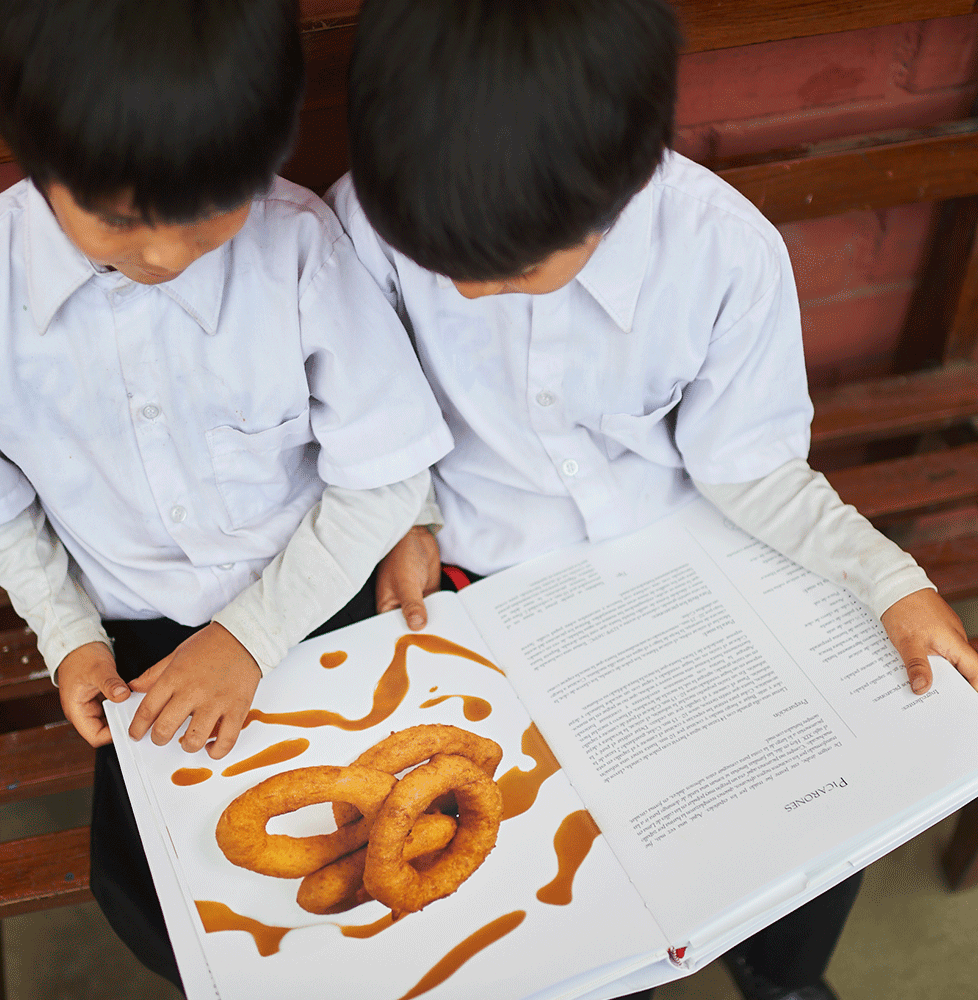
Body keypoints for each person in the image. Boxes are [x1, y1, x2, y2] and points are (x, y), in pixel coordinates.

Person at [326, 0, 978, 998]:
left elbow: (750, 466)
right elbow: (378, 415)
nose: (463, 294)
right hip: (482, 576)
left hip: (690, 554)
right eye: (445, 266)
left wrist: (887, 579)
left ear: (620, 184)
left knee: (828, 782)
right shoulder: (368, 230)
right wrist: (408, 516)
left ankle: (783, 972)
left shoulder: (722, 255)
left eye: (506, 273)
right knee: (518, 865)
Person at [0, 0, 453, 988]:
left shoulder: (298, 248)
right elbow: (0, 510)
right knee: (163, 891)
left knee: (407, 867)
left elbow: (384, 474)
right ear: (32, 156)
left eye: (203, 214)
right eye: (115, 217)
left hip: (314, 597)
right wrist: (70, 637)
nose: (160, 255)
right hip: (138, 640)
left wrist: (250, 637)